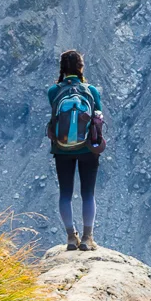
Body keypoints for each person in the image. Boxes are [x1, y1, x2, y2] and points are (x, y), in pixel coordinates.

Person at [47, 50, 106, 251]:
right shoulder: (91, 90)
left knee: (65, 193)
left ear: (62, 69)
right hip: (87, 148)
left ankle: (71, 237)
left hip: (62, 148)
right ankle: (88, 238)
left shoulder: (53, 91)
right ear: (81, 67)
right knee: (88, 194)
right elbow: (98, 116)